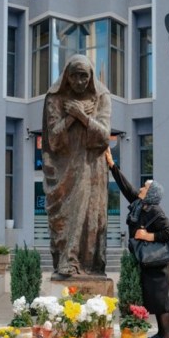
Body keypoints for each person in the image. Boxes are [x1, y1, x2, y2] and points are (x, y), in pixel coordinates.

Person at [42, 55, 111, 278]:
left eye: (84, 76)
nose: (79, 81)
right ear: (66, 76)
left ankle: (84, 263)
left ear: (91, 77)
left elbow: (104, 136)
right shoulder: (55, 98)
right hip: (64, 168)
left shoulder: (101, 97)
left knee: (89, 213)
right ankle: (66, 259)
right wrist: (72, 117)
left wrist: (82, 116)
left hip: (91, 166)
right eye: (74, 76)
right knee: (66, 216)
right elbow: (53, 139)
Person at [105, 148, 169, 338]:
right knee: (154, 300)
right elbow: (126, 188)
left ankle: (168, 337)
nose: (140, 188)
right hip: (147, 262)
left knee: (161, 301)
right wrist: (112, 165)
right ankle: (161, 334)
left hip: (157, 264)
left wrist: (147, 236)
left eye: (144, 187)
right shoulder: (140, 206)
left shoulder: (155, 210)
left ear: (151, 194)